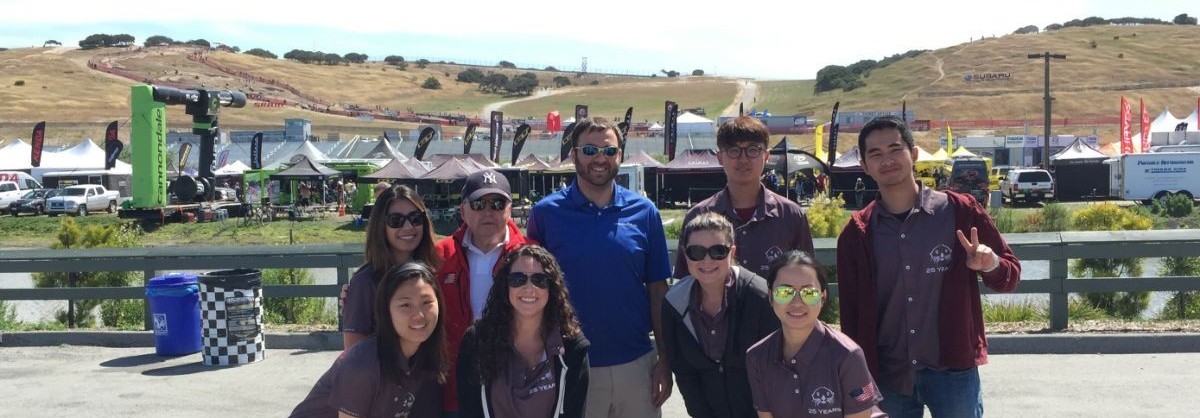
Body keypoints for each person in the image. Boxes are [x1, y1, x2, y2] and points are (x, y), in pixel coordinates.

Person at [837, 116, 1020, 418]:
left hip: (953, 371)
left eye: (895, 149)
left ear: (914, 153)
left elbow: (1010, 276)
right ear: (865, 165)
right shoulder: (857, 233)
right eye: (876, 153)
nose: (887, 160)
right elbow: (851, 316)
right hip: (886, 376)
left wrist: (991, 264)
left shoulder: (960, 211)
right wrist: (855, 376)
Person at [527, 117, 673, 418]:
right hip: (570, 363)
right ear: (574, 155)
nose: (600, 159)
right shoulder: (545, 214)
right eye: (590, 149)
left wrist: (665, 359)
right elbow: (531, 292)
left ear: (620, 156)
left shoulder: (645, 213)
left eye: (609, 151)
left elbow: (658, 290)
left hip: (636, 363)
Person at [291, 262, 448, 418]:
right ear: (386, 311)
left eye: (427, 302)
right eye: (405, 305)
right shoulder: (363, 364)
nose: (419, 315)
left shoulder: (421, 357)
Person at [437, 169, 536, 415]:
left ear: (509, 209)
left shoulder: (532, 256)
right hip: (456, 385)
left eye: (498, 203)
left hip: (515, 384)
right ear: (463, 211)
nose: (488, 211)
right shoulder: (439, 256)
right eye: (479, 203)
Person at [661, 212, 778, 418]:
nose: (707, 260)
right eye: (696, 251)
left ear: (732, 252)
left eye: (718, 251)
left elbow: (776, 368)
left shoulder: (760, 297)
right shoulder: (673, 303)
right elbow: (683, 370)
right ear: (685, 255)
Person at [745, 251, 886, 418]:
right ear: (770, 297)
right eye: (785, 292)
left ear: (823, 296)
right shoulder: (757, 357)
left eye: (808, 293)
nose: (797, 303)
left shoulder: (848, 356)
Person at [457, 245, 590, 418]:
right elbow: (470, 411)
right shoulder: (476, 342)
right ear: (506, 286)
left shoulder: (573, 347)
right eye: (518, 279)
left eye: (539, 280)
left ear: (551, 288)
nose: (529, 288)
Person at [674, 116, 814, 280]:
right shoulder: (697, 216)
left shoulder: (791, 216)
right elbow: (685, 282)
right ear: (720, 157)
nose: (743, 159)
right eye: (734, 150)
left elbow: (808, 280)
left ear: (766, 156)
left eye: (753, 150)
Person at [342, 185, 440, 349]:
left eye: (415, 218)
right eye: (396, 220)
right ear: (381, 226)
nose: (408, 227)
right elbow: (354, 357)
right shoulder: (365, 282)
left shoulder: (431, 273)